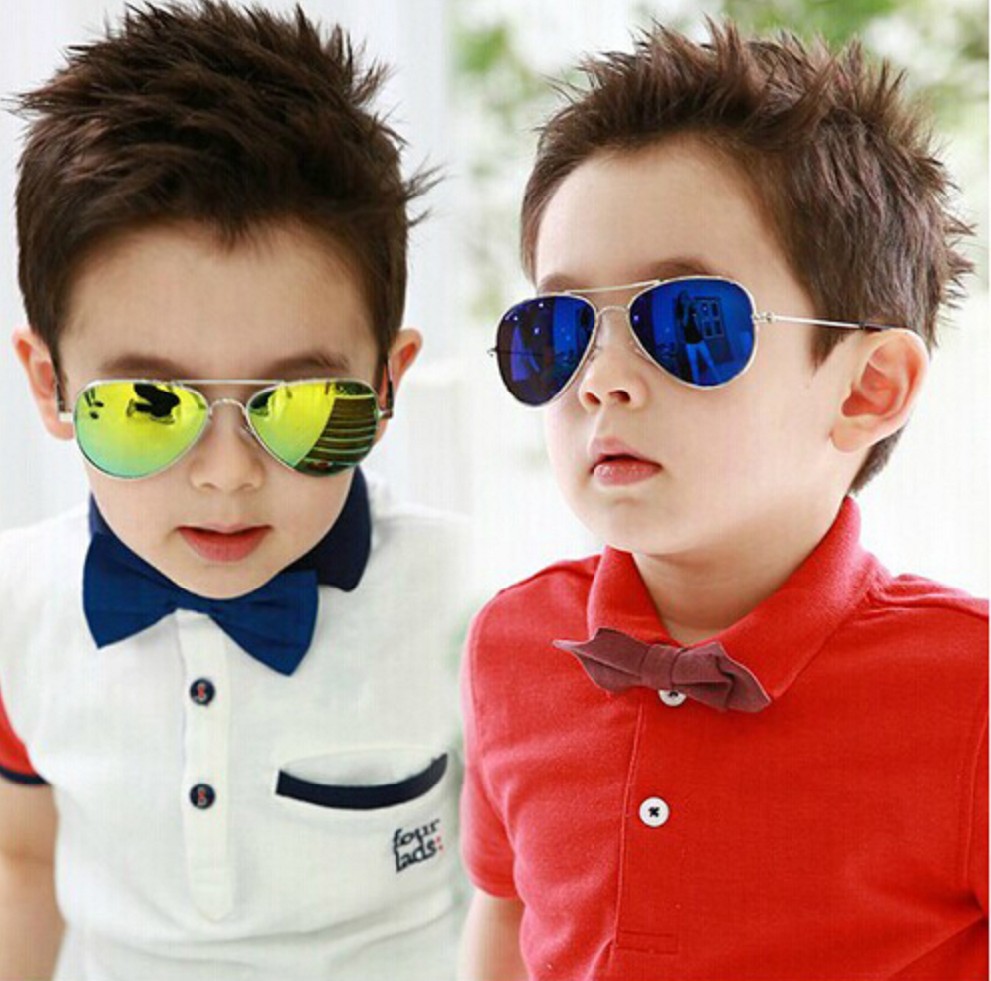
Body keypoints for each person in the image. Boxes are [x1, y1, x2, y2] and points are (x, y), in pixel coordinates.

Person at [463, 21, 987, 980]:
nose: (600, 380)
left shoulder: (971, 691)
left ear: (866, 388)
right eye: (558, 328)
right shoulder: (511, 643)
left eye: (687, 321)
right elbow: (505, 915)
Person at [0, 3, 468, 979]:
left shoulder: (470, 604)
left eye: (298, 405)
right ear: (50, 384)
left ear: (386, 386)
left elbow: (523, 898)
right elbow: (23, 857)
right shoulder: (16, 607)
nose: (227, 473)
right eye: (146, 405)